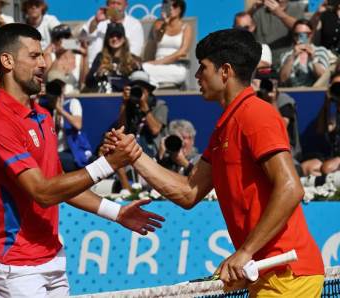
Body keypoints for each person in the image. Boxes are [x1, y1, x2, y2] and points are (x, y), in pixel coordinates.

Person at [104, 28, 324, 296]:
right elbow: (188, 192)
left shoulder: (256, 114)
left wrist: (244, 252)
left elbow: (291, 188)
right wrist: (134, 155)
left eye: (203, 68)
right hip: (268, 275)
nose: (197, 76)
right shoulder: (224, 128)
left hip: (289, 273)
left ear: (225, 71)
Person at [0, 23, 164, 297]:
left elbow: (59, 183)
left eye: (43, 55)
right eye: (34, 56)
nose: (44, 63)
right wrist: (108, 164)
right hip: (14, 265)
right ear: (7, 61)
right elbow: (43, 192)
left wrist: (117, 212)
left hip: (51, 255)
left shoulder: (43, 115)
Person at [142, 0, 193, 89]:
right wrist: (164, 23)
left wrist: (159, 62)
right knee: (143, 68)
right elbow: (157, 39)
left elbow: (182, 51)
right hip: (156, 67)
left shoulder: (186, 27)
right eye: (168, 5)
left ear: (180, 9)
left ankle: (153, 83)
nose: (171, 8)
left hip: (175, 66)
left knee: (181, 74)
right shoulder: (158, 24)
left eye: (175, 5)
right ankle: (154, 84)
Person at [117, 70, 168, 159]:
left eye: (142, 89)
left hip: (154, 152)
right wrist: (124, 103)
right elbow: (122, 129)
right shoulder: (128, 106)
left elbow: (155, 130)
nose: (139, 92)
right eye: (135, 88)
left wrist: (144, 105)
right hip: (131, 152)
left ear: (148, 91)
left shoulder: (160, 105)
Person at [81, 0, 144, 67]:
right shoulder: (96, 19)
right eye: (112, 3)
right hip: (92, 66)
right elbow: (81, 40)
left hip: (121, 68)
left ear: (126, 6)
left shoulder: (134, 25)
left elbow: (134, 54)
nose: (115, 7)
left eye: (119, 4)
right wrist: (96, 22)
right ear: (107, 4)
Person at [84, 22, 142, 92]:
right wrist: (97, 74)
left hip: (126, 98)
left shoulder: (132, 59)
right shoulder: (100, 57)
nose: (115, 38)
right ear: (107, 39)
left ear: (124, 39)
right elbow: (88, 82)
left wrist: (137, 69)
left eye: (118, 35)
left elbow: (142, 83)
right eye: (111, 36)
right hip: (106, 98)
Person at [250, 0, 305, 70]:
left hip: (287, 65)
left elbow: (301, 28)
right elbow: (245, 27)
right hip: (263, 66)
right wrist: (252, 10)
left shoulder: (297, 8)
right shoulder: (260, 12)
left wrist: (279, 13)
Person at [279, 19, 331, 87]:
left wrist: (313, 59)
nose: (301, 37)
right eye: (297, 34)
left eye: (306, 34)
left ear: (311, 34)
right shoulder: (287, 55)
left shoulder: (321, 51)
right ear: (293, 36)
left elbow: (323, 78)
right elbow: (283, 79)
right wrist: (292, 57)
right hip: (292, 92)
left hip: (315, 92)